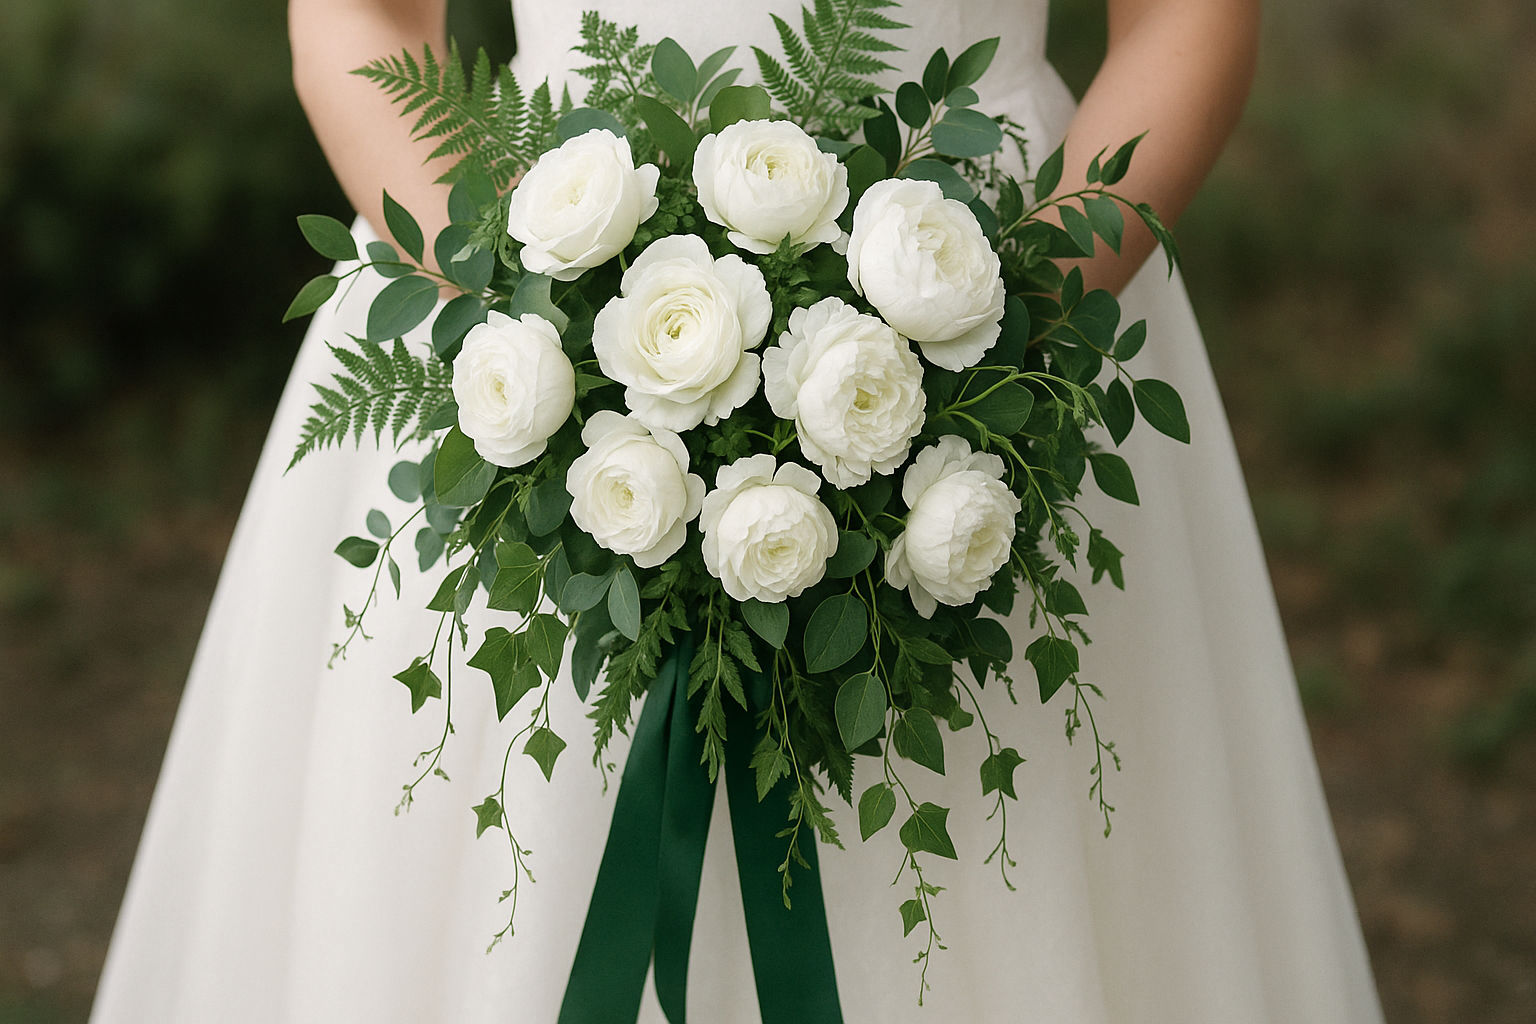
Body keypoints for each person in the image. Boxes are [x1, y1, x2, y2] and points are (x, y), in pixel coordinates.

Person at [91, 1, 1386, 1020]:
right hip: (539, 288)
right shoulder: (528, 331)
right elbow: (357, 19)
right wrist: (530, 340)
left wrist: (986, 354)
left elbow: (1189, 19)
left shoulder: (999, 337)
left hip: (997, 289)